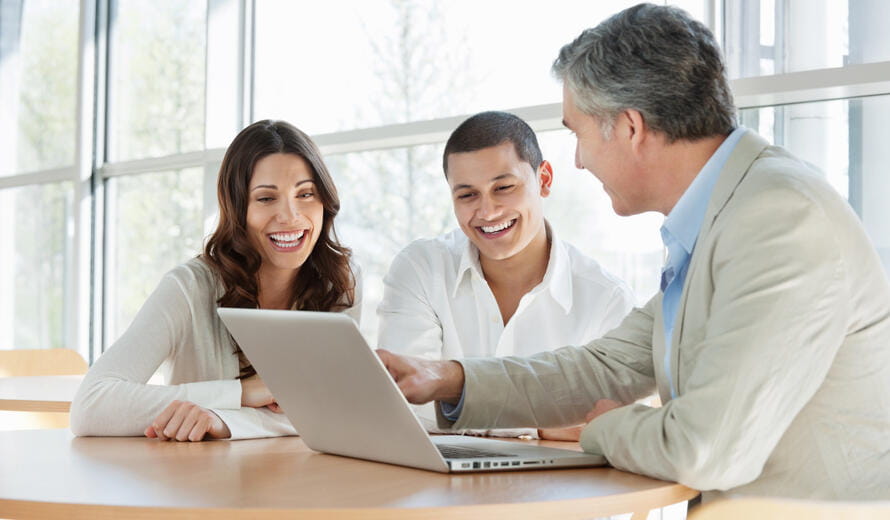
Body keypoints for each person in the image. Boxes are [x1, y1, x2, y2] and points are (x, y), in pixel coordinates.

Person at [377, 3, 890, 500]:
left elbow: (704, 449)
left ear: (629, 127)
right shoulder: (721, 218)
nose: (577, 160)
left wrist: (605, 429)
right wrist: (447, 378)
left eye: (577, 133)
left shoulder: (777, 218)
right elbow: (602, 366)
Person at [71, 120, 361, 441]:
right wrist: (240, 394)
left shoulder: (340, 281)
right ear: (238, 209)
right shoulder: (189, 287)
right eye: (266, 198)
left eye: (306, 193)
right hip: (204, 482)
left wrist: (225, 421)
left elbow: (341, 408)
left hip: (308, 480)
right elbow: (91, 405)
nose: (291, 215)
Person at [377, 111, 634, 439]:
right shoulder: (421, 267)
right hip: (439, 484)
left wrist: (458, 400)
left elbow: (613, 423)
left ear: (544, 180)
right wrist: (542, 424)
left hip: (560, 488)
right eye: (467, 195)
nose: (487, 212)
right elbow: (406, 405)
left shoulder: (606, 300)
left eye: (504, 187)